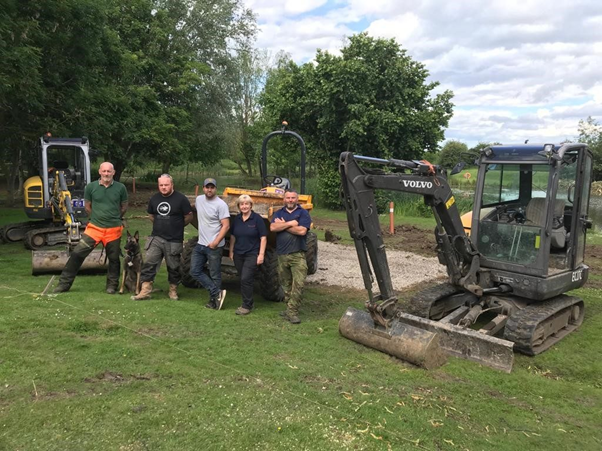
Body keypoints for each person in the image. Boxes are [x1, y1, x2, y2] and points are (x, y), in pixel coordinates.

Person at [54, 162, 128, 294]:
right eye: (104, 171)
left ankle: (112, 286)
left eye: (109, 171)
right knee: (77, 253)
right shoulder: (91, 187)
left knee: (114, 259)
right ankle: (64, 284)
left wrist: (114, 218)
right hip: (94, 228)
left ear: (113, 172)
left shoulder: (121, 188)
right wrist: (96, 217)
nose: (106, 174)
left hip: (113, 230)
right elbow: (87, 207)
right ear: (100, 172)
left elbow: (124, 207)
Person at [132, 174, 193, 301]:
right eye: (161, 185)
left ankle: (173, 290)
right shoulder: (154, 199)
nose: (164, 187)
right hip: (156, 238)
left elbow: (188, 216)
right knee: (149, 263)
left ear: (172, 185)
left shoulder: (181, 199)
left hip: (174, 240)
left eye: (166, 185)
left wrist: (177, 226)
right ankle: (145, 291)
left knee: (173, 266)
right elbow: (151, 215)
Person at [270, 190, 311, 324]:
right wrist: (290, 223)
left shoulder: (303, 213)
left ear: (297, 199)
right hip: (282, 254)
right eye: (288, 198)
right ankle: (289, 309)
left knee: (298, 284)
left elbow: (302, 231)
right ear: (284, 199)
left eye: (293, 198)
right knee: (285, 285)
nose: (290, 200)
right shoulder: (279, 213)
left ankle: (293, 312)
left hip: (297, 254)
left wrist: (282, 225)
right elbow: (272, 228)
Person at [190, 178, 230, 310]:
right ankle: (216, 292)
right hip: (201, 244)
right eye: (207, 187)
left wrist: (216, 242)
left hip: (214, 246)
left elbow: (226, 225)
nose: (209, 189)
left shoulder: (221, 205)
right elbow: (192, 209)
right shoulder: (199, 200)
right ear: (203, 188)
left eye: (212, 187)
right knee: (195, 271)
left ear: (215, 189)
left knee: (214, 274)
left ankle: (215, 301)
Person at [229, 194, 267, 315]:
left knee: (246, 278)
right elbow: (233, 236)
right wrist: (231, 251)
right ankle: (249, 301)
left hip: (252, 253)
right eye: (242, 204)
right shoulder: (237, 219)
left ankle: (246, 305)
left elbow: (263, 237)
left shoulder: (257, 219)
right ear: (239, 206)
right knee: (244, 278)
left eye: (247, 204)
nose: (244, 206)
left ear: (251, 205)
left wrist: (261, 255)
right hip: (238, 254)